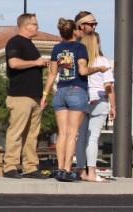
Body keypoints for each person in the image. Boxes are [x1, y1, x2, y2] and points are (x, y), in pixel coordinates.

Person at [42, 18, 103, 182]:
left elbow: (52, 74)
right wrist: (98, 68)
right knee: (72, 134)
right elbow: (82, 71)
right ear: (75, 31)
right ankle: (68, 170)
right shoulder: (80, 48)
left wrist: (44, 95)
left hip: (60, 91)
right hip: (77, 90)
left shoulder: (56, 48)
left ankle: (60, 168)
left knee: (62, 134)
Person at [3, 13, 52, 180]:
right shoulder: (15, 42)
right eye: (35, 24)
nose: (38, 27)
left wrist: (43, 64)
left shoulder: (31, 44)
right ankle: (10, 166)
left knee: (32, 134)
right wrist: (36, 62)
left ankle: (30, 167)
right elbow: (14, 63)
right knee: (16, 132)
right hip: (20, 95)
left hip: (35, 97)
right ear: (26, 26)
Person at [76, 32, 114, 182]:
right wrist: (114, 106)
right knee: (93, 138)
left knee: (81, 138)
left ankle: (80, 170)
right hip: (99, 100)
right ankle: (92, 172)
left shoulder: (81, 62)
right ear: (96, 44)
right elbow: (109, 86)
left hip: (82, 99)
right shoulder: (102, 61)